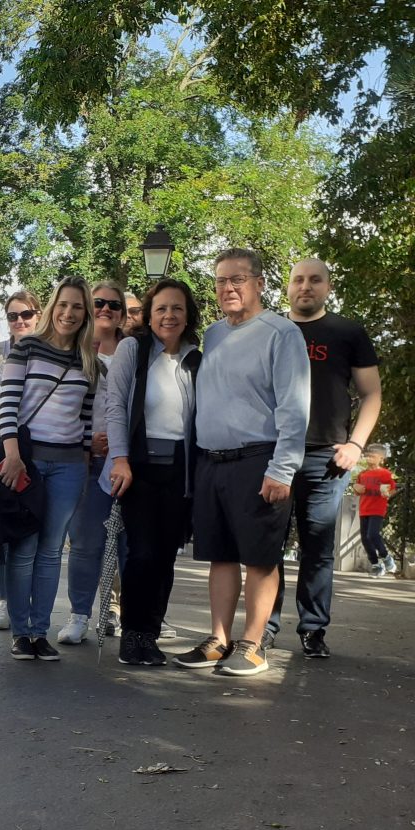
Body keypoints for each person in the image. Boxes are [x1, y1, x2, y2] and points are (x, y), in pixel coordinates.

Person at [174, 248, 309, 676]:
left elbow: (294, 407)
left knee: (260, 557)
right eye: (221, 280)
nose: (228, 288)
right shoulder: (213, 335)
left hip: (259, 459)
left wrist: (282, 469)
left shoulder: (281, 333)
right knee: (220, 554)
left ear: (259, 284)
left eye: (238, 279)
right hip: (211, 462)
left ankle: (252, 644)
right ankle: (219, 639)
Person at [263, 258, 382, 657]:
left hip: (326, 459)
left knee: (318, 548)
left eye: (315, 280)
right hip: (273, 454)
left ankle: (313, 629)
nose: (305, 286)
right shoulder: (269, 329)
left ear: (328, 287)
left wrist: (356, 446)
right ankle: (264, 627)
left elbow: (371, 394)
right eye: (298, 279)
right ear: (287, 287)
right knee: (268, 545)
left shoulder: (348, 332)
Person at [0, 276, 96, 660]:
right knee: (24, 547)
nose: (68, 313)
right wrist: (12, 455)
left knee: (52, 550)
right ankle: (21, 632)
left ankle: (40, 631)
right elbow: (7, 405)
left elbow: (86, 422)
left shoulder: (88, 361)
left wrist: (84, 467)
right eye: (63, 304)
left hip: (69, 465)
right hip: (27, 461)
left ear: (85, 314)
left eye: (77, 307)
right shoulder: (27, 348)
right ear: (52, 307)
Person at [106, 279, 202, 666]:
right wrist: (119, 458)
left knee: (165, 557)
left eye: (177, 308)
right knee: (142, 553)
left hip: (180, 470)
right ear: (149, 315)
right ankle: (132, 634)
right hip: (139, 466)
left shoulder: (195, 358)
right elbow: (116, 405)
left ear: (187, 315)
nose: (169, 315)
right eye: (161, 308)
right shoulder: (133, 349)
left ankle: (150, 634)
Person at [58, 280, 127, 645]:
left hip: (126, 462)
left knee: (129, 544)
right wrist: (87, 441)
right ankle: (79, 614)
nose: (105, 309)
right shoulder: (76, 351)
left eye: (114, 305)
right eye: (98, 303)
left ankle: (134, 615)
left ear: (123, 314)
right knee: (85, 542)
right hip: (87, 460)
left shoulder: (134, 351)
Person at [0, 290, 42, 631]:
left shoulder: (50, 350)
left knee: (36, 530)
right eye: (12, 315)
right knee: (4, 526)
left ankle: (30, 601)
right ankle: (4, 600)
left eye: (26, 314)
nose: (20, 320)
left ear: (38, 315)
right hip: (4, 447)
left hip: (41, 447)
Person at [354, 445, 397, 577]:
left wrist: (388, 493)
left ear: (381, 459)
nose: (369, 458)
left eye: (372, 456)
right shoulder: (362, 474)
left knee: (372, 535)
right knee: (365, 539)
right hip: (364, 509)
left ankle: (386, 557)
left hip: (377, 509)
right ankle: (376, 565)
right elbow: (357, 490)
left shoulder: (385, 474)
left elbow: (392, 489)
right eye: (367, 456)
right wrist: (356, 487)